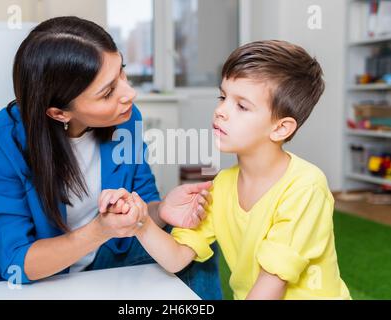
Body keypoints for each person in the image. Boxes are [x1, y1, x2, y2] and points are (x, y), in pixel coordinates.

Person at [0, 16, 221, 300]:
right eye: (108, 92)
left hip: (108, 257)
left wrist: (160, 209)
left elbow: (142, 197)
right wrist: (99, 230)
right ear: (59, 113)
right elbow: (17, 260)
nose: (130, 93)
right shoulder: (1, 137)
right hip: (38, 276)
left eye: (122, 72)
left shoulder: (127, 119)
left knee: (196, 236)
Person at [108, 40, 351, 300]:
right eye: (223, 97)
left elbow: (271, 286)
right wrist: (140, 222)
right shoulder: (222, 185)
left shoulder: (305, 186)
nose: (220, 111)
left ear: (281, 128)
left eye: (242, 106)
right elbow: (176, 259)